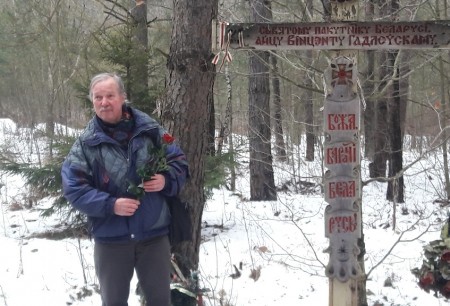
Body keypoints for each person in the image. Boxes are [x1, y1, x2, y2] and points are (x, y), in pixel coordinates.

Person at [61, 72, 189, 306]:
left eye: (110, 95)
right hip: (111, 240)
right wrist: (110, 205)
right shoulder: (85, 144)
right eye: (98, 97)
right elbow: (74, 188)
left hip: (153, 236)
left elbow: (178, 159)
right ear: (92, 102)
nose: (104, 102)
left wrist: (166, 179)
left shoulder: (152, 131)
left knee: (161, 301)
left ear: (123, 97)